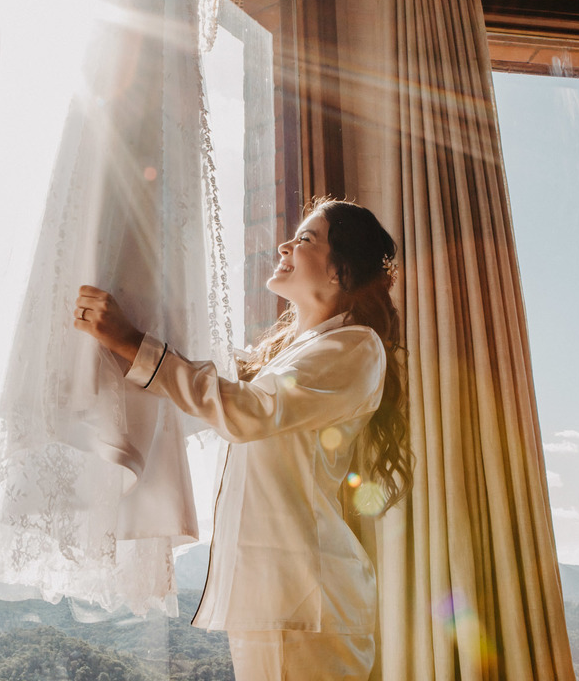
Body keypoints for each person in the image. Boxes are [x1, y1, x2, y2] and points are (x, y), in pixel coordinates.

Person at [73, 198, 412, 681]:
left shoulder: (356, 347)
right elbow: (216, 390)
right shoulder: (292, 355)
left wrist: (131, 342)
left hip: (305, 603)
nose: (285, 245)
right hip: (275, 597)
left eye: (306, 239)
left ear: (340, 271)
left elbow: (245, 411)